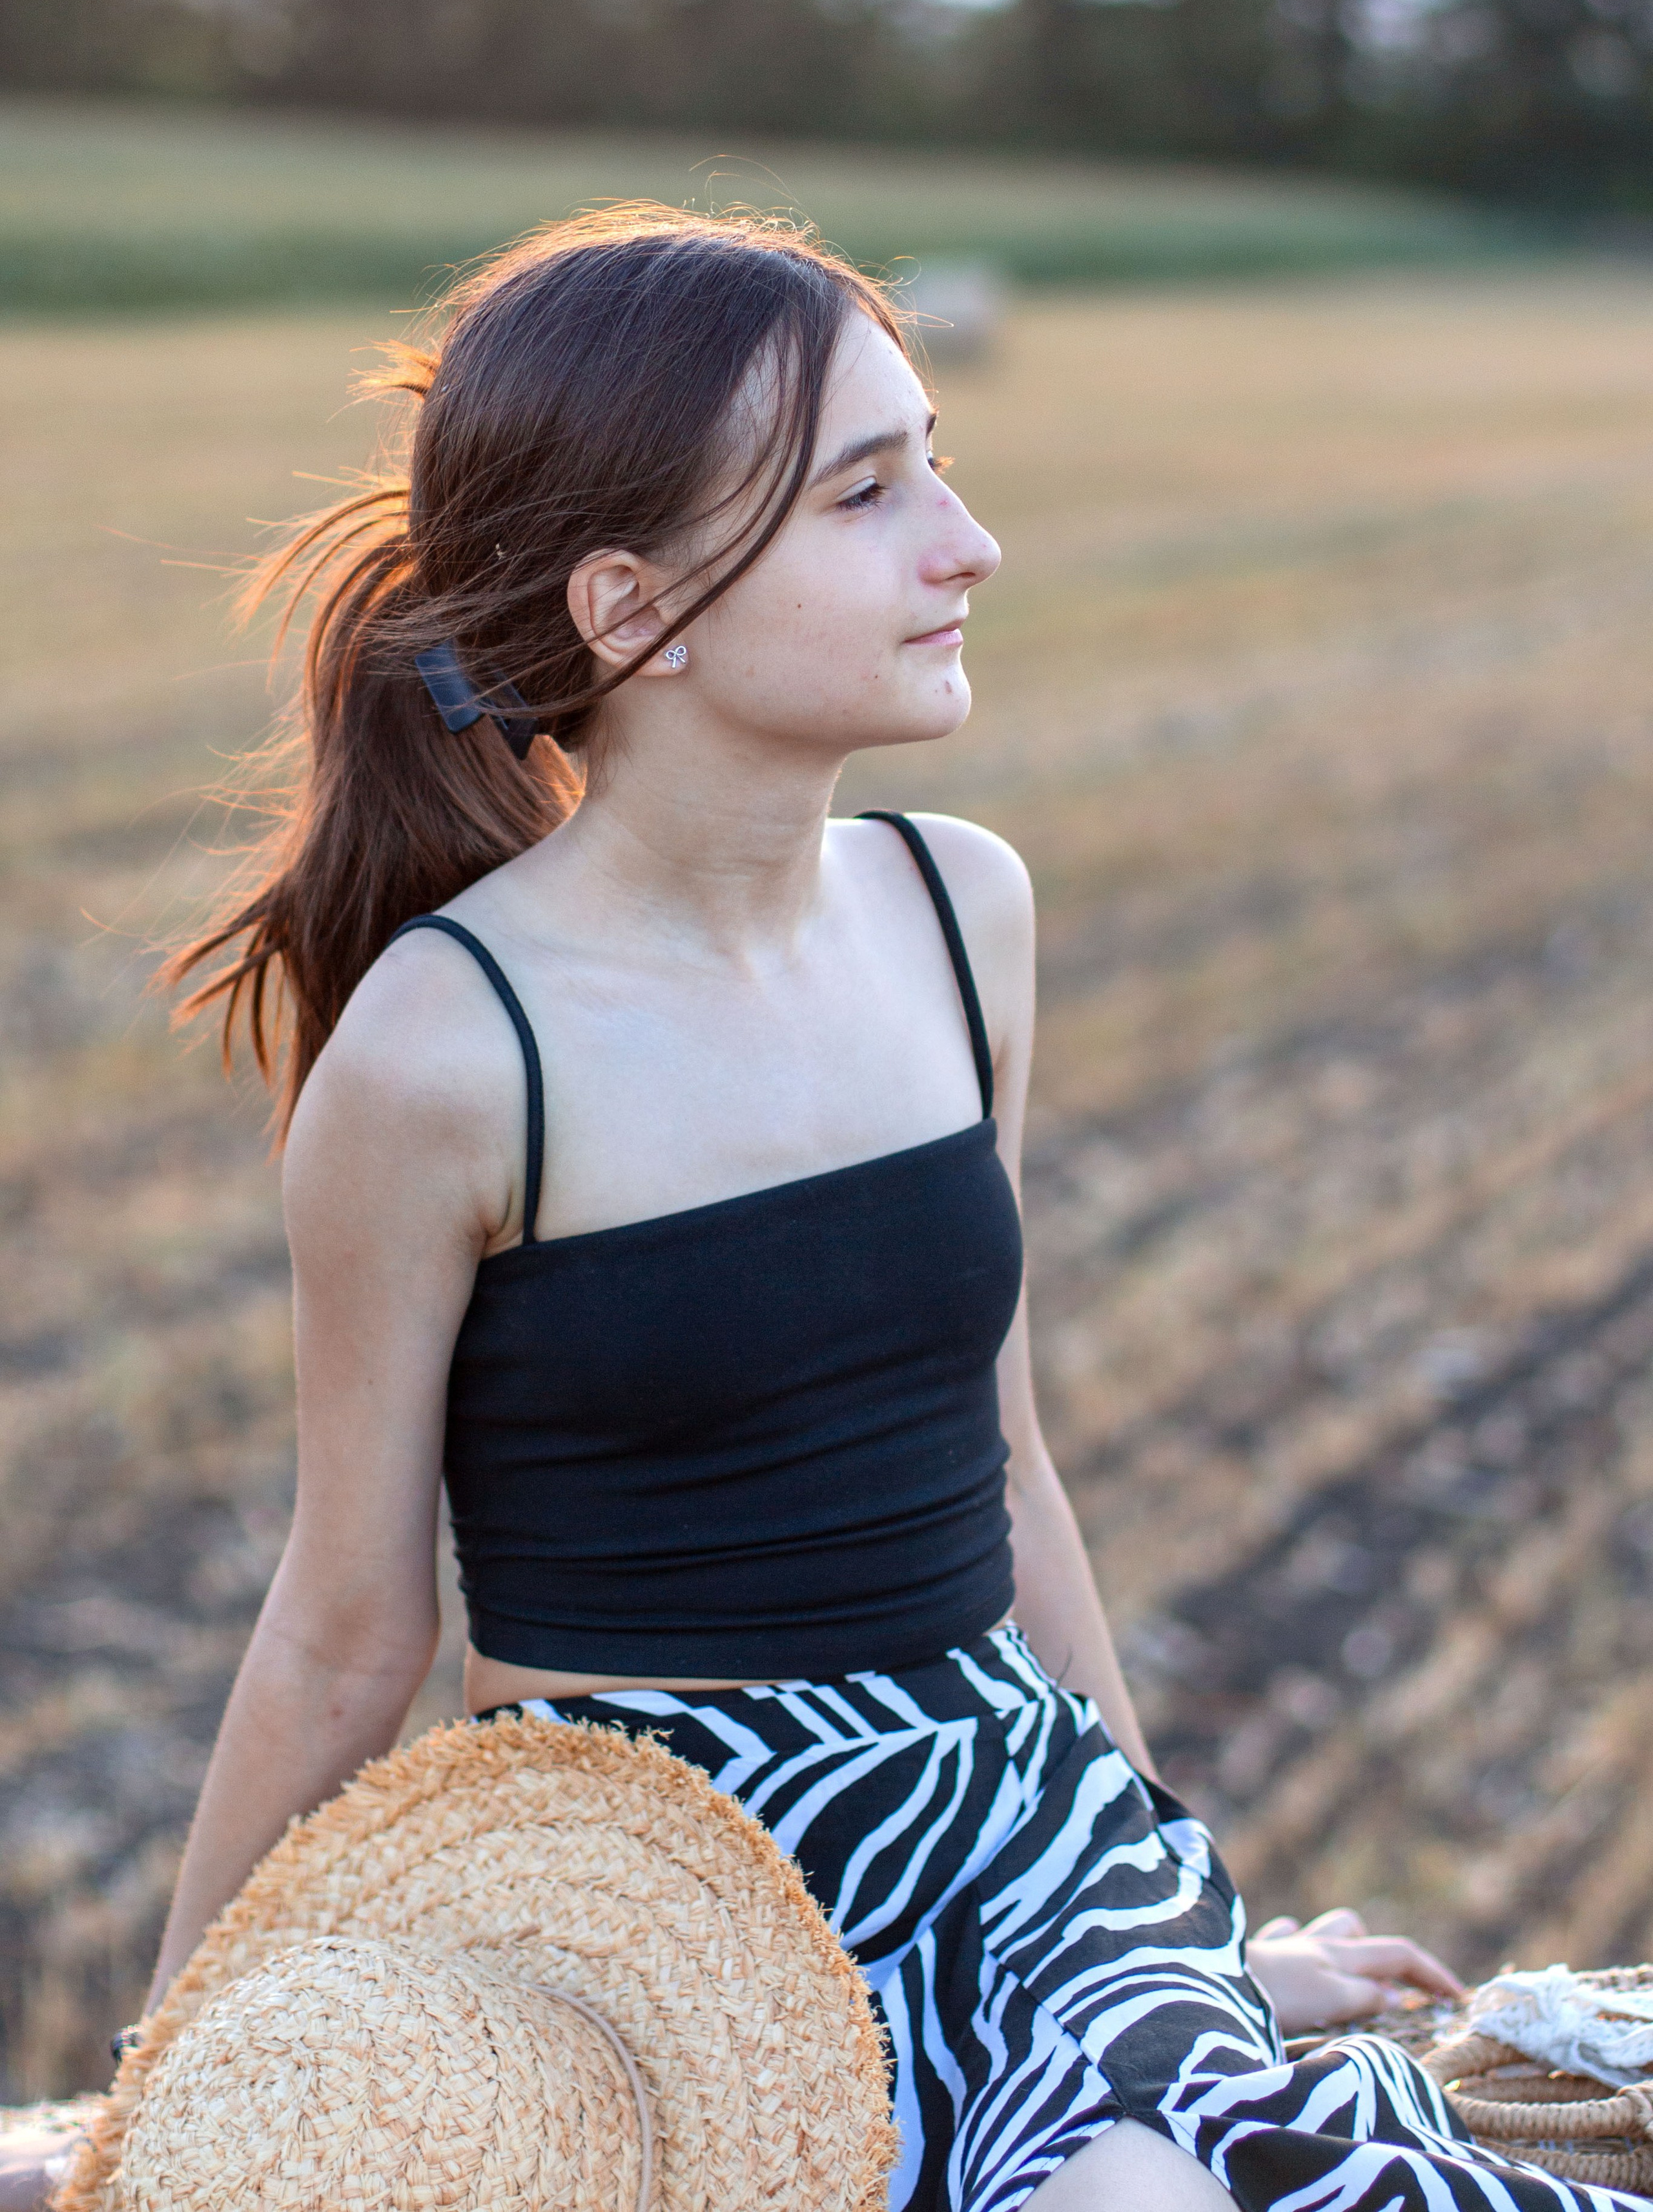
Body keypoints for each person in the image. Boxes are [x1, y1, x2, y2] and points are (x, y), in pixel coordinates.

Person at [8, 207, 1634, 2212]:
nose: (968, 540)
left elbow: (1013, 1469)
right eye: (869, 493)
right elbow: (348, 1627)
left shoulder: (965, 916)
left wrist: (1192, 1940)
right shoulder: (449, 1052)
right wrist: (170, 2084)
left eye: (934, 458)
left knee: (1216, 2168)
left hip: (1015, 1820)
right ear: (632, 610)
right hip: (677, 1906)